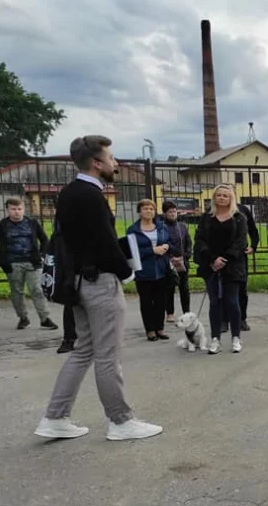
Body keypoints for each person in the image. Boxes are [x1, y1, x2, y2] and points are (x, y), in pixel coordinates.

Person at [34, 135, 162, 441]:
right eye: (112, 158)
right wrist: (125, 272)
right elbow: (104, 243)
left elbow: (80, 240)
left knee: (83, 351)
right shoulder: (91, 196)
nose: (115, 163)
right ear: (96, 163)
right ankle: (120, 421)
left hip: (76, 281)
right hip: (100, 283)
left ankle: (55, 416)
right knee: (107, 355)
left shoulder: (68, 194)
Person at [194, 184, 249, 354]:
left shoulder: (239, 218)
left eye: (226, 195)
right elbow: (200, 239)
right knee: (214, 303)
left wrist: (224, 259)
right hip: (211, 265)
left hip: (232, 265)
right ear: (214, 197)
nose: (222, 198)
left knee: (232, 302)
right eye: (219, 195)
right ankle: (215, 339)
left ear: (231, 198)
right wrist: (212, 259)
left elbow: (241, 241)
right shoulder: (206, 218)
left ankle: (236, 338)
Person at [0, 197, 57, 330]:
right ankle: (23, 318)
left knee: (37, 290)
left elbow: (44, 240)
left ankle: (44, 318)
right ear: (7, 210)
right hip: (12, 264)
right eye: (13, 209)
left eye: (19, 209)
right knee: (17, 291)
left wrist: (42, 255)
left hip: (33, 263)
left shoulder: (32, 223)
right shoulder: (1, 225)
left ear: (24, 209)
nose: (16, 212)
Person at [126, 199, 172, 341]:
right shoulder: (133, 230)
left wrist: (167, 247)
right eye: (145, 208)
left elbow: (170, 242)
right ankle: (150, 329)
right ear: (139, 212)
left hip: (161, 269)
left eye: (151, 209)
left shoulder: (162, 227)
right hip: (143, 270)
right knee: (146, 301)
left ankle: (160, 327)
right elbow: (130, 252)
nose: (149, 211)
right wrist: (152, 250)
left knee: (161, 300)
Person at [161, 201, 192, 323]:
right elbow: (161, 243)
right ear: (165, 213)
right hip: (168, 262)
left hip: (183, 261)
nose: (173, 214)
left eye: (174, 211)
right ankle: (170, 313)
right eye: (170, 212)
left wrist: (186, 256)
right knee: (169, 288)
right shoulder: (161, 227)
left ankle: (187, 312)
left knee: (184, 287)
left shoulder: (182, 226)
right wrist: (170, 258)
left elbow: (188, 243)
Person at [232, 202, 259, 332]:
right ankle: (224, 320)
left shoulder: (243, 210)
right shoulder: (213, 211)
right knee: (222, 290)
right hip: (221, 255)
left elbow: (253, 230)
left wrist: (253, 246)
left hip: (240, 256)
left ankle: (242, 319)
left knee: (242, 289)